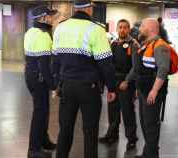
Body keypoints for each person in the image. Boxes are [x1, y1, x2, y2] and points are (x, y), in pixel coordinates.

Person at [51, 0, 116, 158]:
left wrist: (57, 85)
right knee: (90, 130)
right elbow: (105, 63)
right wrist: (112, 87)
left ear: (75, 8)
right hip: (89, 88)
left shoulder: (61, 27)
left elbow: (55, 61)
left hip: (66, 86)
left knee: (65, 129)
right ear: (88, 8)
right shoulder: (96, 29)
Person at [99, 19, 138, 151]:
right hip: (114, 82)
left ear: (129, 29)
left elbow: (135, 67)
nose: (122, 30)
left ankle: (132, 139)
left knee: (128, 112)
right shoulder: (113, 44)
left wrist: (127, 81)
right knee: (113, 110)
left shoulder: (133, 44)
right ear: (117, 29)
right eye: (120, 27)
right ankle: (112, 135)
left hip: (126, 83)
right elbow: (109, 64)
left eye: (125, 27)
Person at [133, 18, 171, 158]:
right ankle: (147, 154)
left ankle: (152, 155)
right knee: (144, 123)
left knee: (151, 126)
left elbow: (163, 69)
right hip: (144, 91)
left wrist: (154, 91)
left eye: (142, 26)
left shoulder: (160, 46)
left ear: (150, 29)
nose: (140, 29)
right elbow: (142, 69)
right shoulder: (146, 44)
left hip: (153, 93)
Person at [24, 5, 57, 158]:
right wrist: (54, 86)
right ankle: (34, 148)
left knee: (43, 110)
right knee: (40, 112)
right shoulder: (43, 35)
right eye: (50, 16)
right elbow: (44, 65)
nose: (52, 18)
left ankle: (44, 141)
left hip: (30, 76)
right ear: (43, 18)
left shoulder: (30, 32)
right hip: (39, 78)